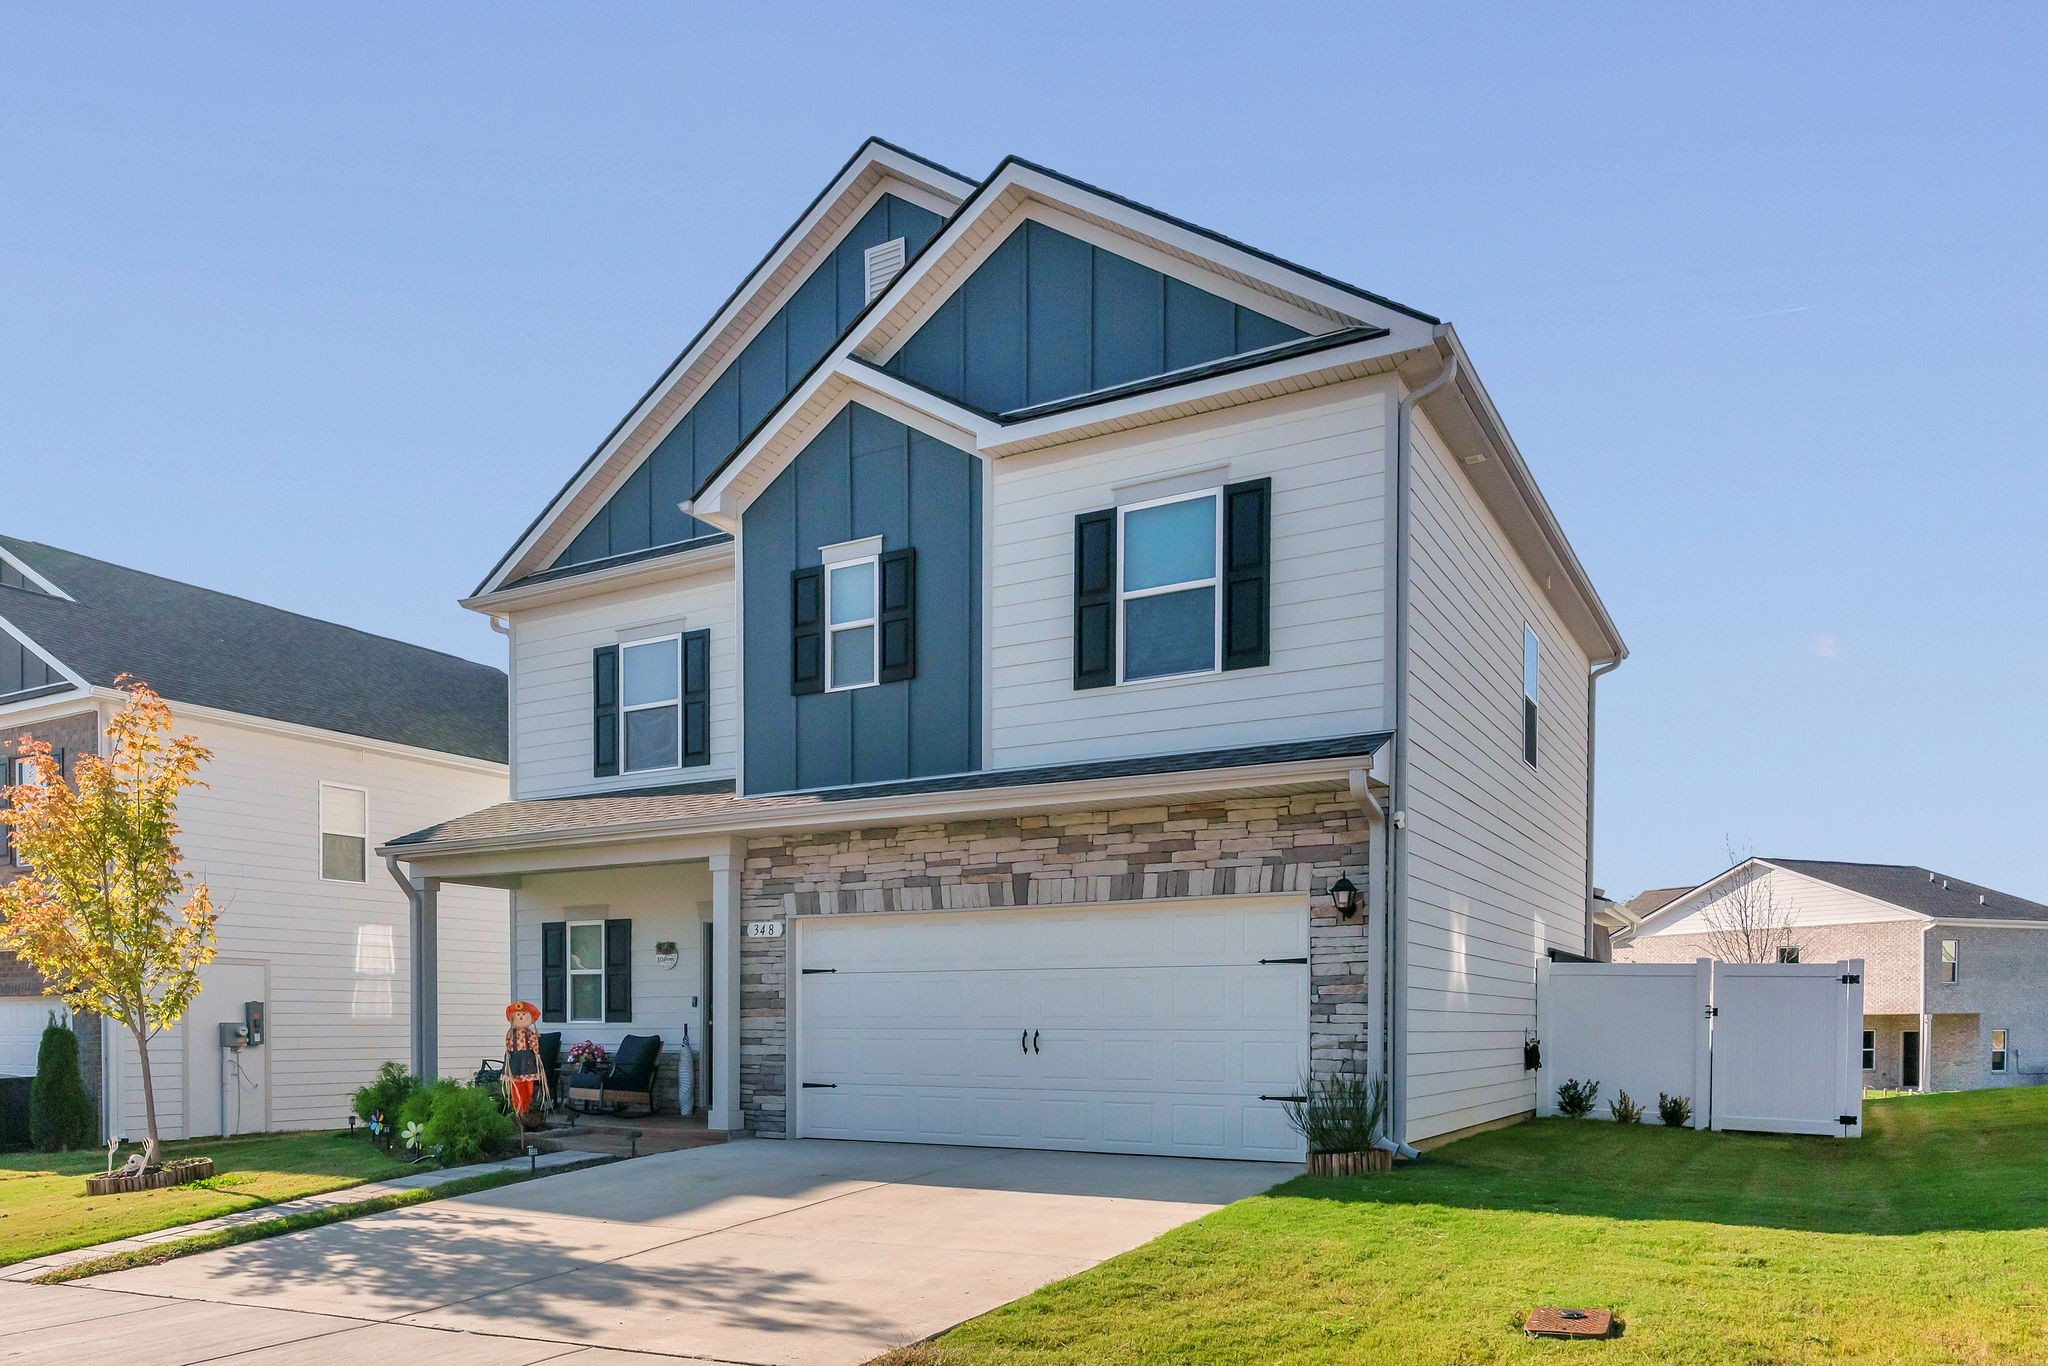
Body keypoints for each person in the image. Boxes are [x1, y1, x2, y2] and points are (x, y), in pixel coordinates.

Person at [504, 1000, 546, 1127]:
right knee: (516, 1086)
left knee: (527, 1086)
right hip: (515, 1062)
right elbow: (508, 1047)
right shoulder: (511, 1034)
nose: (521, 1017)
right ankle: (518, 1110)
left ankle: (525, 1109)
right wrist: (507, 1056)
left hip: (527, 1062)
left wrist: (537, 1055)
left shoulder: (530, 1034)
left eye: (523, 1014)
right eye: (518, 1015)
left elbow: (534, 1045)